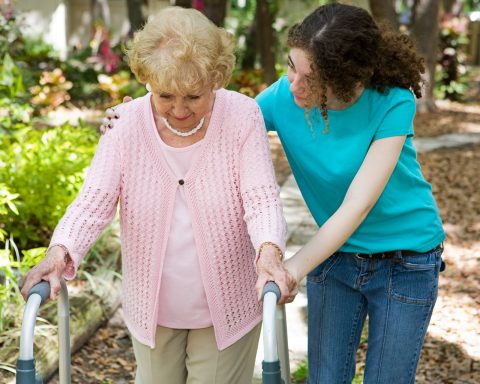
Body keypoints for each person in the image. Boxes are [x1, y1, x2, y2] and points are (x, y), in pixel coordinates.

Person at [103, 3, 446, 383]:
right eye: (290, 67)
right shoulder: (285, 96)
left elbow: (357, 206)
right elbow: (219, 116)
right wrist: (142, 116)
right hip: (336, 258)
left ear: (345, 79)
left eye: (309, 78)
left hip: (407, 259)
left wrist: (289, 269)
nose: (293, 84)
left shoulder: (392, 101)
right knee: (326, 378)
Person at [20, 7, 296, 384]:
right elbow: (93, 202)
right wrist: (59, 251)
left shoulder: (242, 116)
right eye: (165, 95)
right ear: (147, 78)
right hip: (153, 312)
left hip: (228, 310)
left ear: (216, 79)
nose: (179, 110)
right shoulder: (124, 125)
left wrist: (269, 253)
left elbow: (261, 197)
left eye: (194, 96)